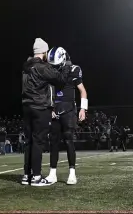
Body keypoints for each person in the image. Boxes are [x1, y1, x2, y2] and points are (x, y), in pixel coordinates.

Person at [21, 38, 70, 187]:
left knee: (29, 141)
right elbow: (61, 80)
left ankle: (27, 175)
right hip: (40, 107)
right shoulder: (42, 68)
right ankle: (36, 177)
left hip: (26, 106)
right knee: (38, 141)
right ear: (43, 52)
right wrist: (66, 62)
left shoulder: (26, 66)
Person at [45, 47, 88, 185]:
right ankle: (52, 174)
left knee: (69, 141)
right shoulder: (52, 70)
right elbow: (49, 92)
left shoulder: (73, 69)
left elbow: (82, 91)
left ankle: (72, 173)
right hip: (55, 110)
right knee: (53, 143)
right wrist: (49, 108)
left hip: (69, 110)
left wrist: (83, 109)